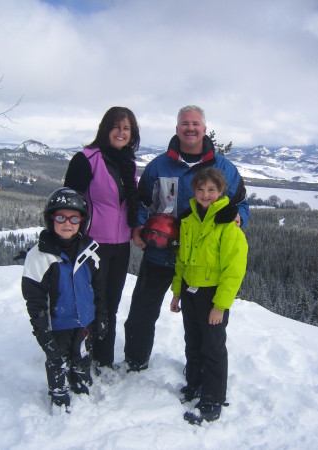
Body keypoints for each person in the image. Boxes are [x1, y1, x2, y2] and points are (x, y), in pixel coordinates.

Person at [124, 105, 250, 372]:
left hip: (202, 264)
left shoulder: (223, 168)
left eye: (195, 123)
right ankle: (135, 362)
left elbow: (242, 205)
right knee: (141, 314)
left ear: (204, 129)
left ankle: (201, 374)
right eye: (184, 123)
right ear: (177, 128)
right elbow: (142, 204)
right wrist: (138, 228)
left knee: (202, 323)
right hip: (160, 253)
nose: (190, 128)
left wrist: (239, 219)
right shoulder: (159, 166)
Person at [170, 168, 248, 424]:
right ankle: (194, 382)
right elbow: (182, 260)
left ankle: (213, 396)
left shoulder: (227, 223)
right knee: (192, 341)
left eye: (211, 190)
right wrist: (177, 293)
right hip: (190, 293)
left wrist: (220, 306)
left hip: (212, 296)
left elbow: (234, 271)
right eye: (200, 189)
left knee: (212, 346)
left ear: (221, 191)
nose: (205, 195)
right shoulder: (188, 220)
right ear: (194, 191)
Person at [64, 107, 140, 369]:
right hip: (92, 245)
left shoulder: (129, 164)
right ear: (105, 128)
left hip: (121, 245)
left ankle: (103, 359)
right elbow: (69, 203)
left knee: (111, 302)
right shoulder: (86, 159)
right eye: (116, 126)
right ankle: (81, 355)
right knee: (90, 303)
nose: (121, 132)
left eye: (127, 128)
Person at [22, 187, 107, 413]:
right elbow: (35, 299)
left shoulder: (90, 251)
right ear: (51, 219)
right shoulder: (40, 256)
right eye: (60, 217)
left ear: (82, 221)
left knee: (82, 354)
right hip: (57, 323)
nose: (67, 223)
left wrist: (101, 316)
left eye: (74, 218)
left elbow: (98, 289)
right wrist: (42, 332)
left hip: (85, 321)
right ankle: (59, 392)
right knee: (57, 358)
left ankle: (80, 382)